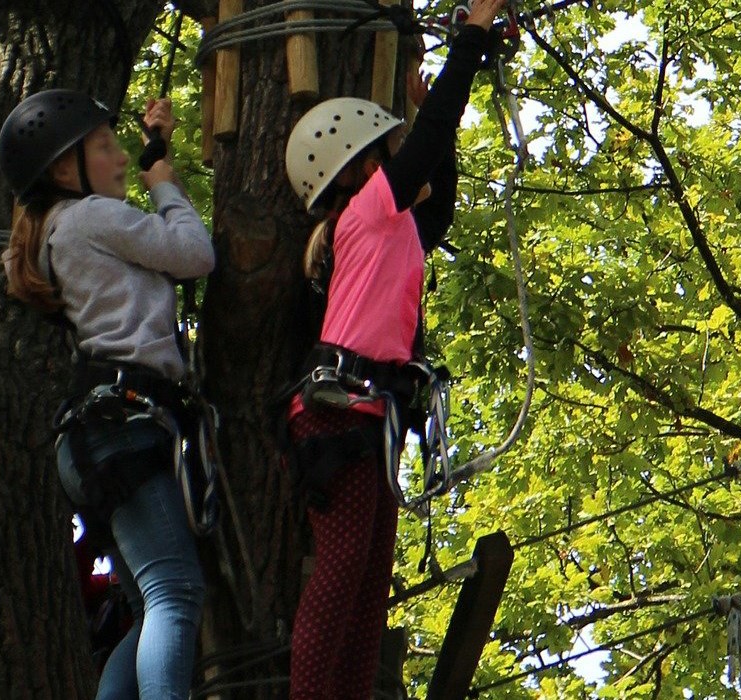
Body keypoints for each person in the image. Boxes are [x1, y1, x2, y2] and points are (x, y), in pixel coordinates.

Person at [279, 0, 505, 696]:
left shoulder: (389, 226)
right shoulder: (368, 210)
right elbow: (428, 143)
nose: (404, 158)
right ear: (360, 167)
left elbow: (438, 206)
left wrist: (446, 127)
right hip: (342, 411)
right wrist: (470, 36)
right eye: (390, 150)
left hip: (366, 414)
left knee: (368, 584)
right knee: (343, 571)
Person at [0, 88, 213, 700]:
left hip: (98, 438)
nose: (120, 159)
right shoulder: (91, 217)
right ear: (66, 168)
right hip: (125, 428)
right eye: (105, 146)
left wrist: (155, 150)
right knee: (176, 590)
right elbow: (194, 255)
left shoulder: (63, 230)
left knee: (152, 605)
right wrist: (166, 186)